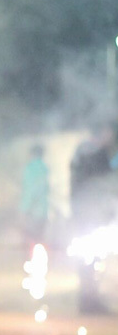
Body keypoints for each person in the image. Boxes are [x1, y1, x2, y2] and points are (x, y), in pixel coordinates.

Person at [70, 122, 118, 315]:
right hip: (92, 215)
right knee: (90, 258)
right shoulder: (96, 154)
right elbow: (104, 184)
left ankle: (88, 301)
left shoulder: (81, 152)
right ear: (104, 133)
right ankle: (89, 303)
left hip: (82, 213)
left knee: (87, 259)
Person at [20, 144, 49, 248]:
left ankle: (31, 262)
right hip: (43, 212)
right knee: (40, 240)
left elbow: (30, 191)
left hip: (32, 213)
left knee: (30, 241)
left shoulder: (30, 169)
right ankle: (41, 262)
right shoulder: (44, 168)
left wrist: (24, 210)